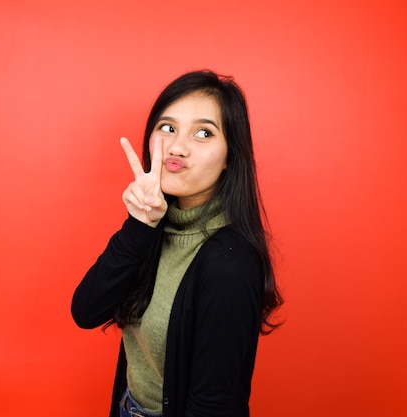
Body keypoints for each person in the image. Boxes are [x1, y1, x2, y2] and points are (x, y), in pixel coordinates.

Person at [71, 70, 282, 417]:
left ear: (231, 155)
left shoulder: (229, 264)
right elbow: (86, 310)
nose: (177, 146)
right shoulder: (155, 227)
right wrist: (139, 226)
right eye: (168, 128)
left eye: (204, 133)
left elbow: (213, 406)